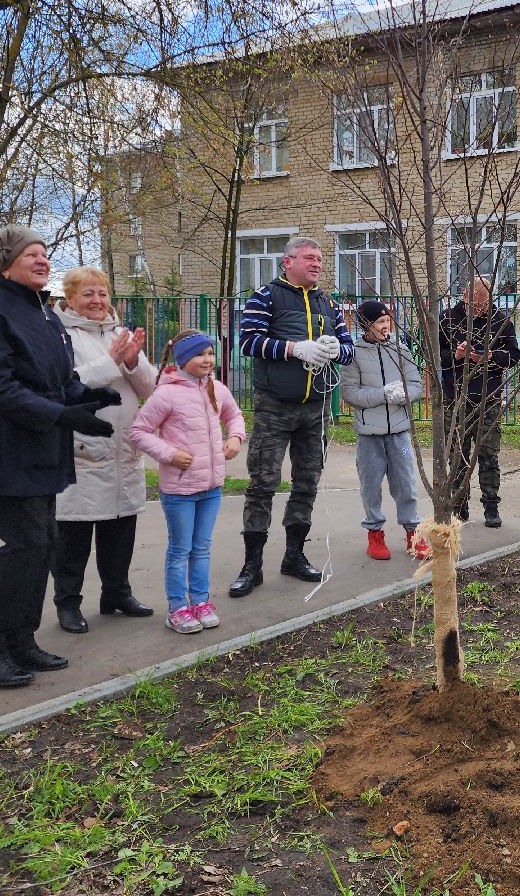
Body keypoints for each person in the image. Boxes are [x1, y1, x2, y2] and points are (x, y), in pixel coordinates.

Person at [0, 225, 119, 688]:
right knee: (24, 546)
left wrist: (88, 400)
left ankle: (20, 640)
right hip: (7, 448)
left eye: (45, 253)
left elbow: (60, 379)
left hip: (43, 446)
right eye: (32, 253)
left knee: (42, 545)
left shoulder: (45, 314)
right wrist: (65, 416)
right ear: (5, 260)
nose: (43, 260)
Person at [235, 236, 354, 591]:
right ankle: (251, 565)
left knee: (307, 483)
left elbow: (349, 349)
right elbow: (247, 341)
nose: (317, 264)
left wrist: (337, 349)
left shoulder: (328, 303)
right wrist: (292, 348)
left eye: (319, 259)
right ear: (288, 262)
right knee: (263, 483)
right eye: (309, 258)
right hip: (274, 406)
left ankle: (294, 556)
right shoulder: (266, 296)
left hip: (315, 409)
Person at [50, 266, 156, 634]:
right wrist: (111, 361)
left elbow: (149, 388)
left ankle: (116, 593)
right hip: (82, 446)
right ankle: (67, 603)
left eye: (102, 294)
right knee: (73, 534)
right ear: (69, 299)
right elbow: (67, 384)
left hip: (123, 445)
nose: (97, 301)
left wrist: (131, 360)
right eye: (88, 294)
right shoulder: (57, 334)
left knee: (121, 525)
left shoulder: (120, 332)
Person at [130, 330, 245, 634]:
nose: (207, 360)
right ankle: (178, 608)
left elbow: (235, 416)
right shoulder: (166, 394)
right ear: (183, 359)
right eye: (200, 354)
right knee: (181, 549)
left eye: (210, 353)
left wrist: (235, 437)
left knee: (202, 547)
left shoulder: (217, 389)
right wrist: (169, 454)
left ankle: (201, 602)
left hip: (211, 487)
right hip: (180, 490)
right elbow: (139, 432)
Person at [338, 300, 427, 561]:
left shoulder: (400, 349)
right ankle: (375, 534)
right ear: (366, 324)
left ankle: (414, 533)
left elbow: (416, 384)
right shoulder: (353, 354)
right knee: (371, 485)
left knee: (406, 484)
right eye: (380, 322)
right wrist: (383, 394)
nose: (385, 326)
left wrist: (403, 394)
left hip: (399, 430)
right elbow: (350, 393)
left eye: (387, 321)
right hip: (369, 434)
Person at [439, 278, 520, 527]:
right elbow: (432, 354)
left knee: (489, 455)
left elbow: (514, 354)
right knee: (457, 455)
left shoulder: (499, 320)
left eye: (485, 303)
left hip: (488, 398)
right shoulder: (447, 319)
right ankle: (459, 504)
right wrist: (456, 355)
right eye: (477, 303)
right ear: (465, 295)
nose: (482, 308)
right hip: (456, 398)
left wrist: (489, 357)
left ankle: (491, 505)